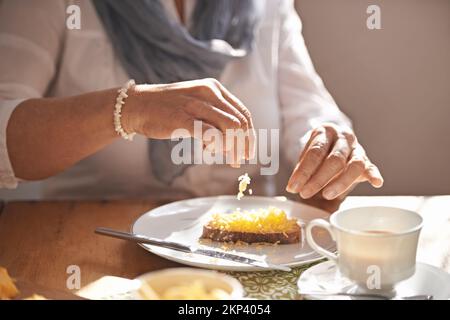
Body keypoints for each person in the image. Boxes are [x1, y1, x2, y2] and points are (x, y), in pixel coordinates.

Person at [0, 0, 383, 204]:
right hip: (96, 243)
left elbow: (309, 110)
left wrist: (327, 145)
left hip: (245, 256)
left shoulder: (267, 5)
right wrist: (131, 108)